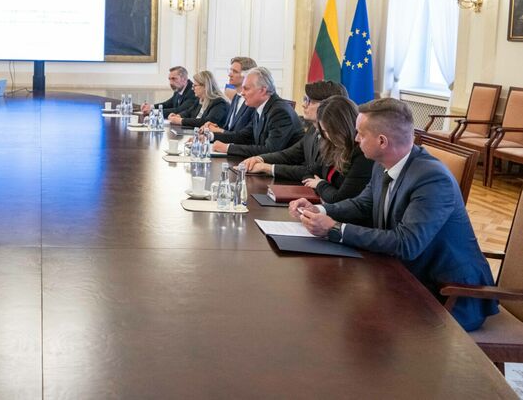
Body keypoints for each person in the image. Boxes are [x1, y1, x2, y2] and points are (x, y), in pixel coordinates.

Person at [289, 97, 498, 331]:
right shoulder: (383, 164)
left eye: (361, 134)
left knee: (345, 320)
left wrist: (335, 229)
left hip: (448, 294)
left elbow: (407, 243)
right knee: (332, 310)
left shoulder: (432, 179)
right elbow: (363, 204)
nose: (356, 139)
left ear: (382, 141)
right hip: (405, 276)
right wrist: (319, 209)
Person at [241, 80, 348, 180]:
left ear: (329, 105)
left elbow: (313, 172)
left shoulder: (335, 138)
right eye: (305, 99)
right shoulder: (313, 129)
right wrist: (260, 159)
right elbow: (290, 154)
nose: (303, 105)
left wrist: (267, 168)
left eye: (309, 101)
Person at [211, 67, 304, 157]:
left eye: (246, 88)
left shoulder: (279, 112)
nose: (242, 93)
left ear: (263, 90)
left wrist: (228, 148)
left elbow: (270, 150)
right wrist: (210, 136)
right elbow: (244, 136)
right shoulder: (260, 107)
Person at [205, 56, 257, 136]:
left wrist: (218, 131)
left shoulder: (253, 101)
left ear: (247, 75)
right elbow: (229, 129)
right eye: (230, 70)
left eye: (235, 72)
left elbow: (245, 136)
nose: (229, 74)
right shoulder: (236, 97)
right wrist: (212, 130)